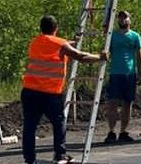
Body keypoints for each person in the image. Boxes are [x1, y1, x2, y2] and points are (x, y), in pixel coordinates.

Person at [21, 15, 107, 164]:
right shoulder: (60, 44)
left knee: (29, 126)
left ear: (41, 28)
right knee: (58, 122)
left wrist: (72, 42)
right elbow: (80, 56)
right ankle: (60, 154)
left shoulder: (35, 42)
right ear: (56, 28)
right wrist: (100, 57)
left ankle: (29, 159)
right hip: (49, 93)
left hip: (29, 91)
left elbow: (54, 45)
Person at [103, 10, 141, 144]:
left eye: (125, 17)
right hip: (115, 73)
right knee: (112, 103)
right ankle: (111, 131)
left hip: (130, 73)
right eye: (120, 18)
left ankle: (123, 132)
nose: (122, 20)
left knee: (127, 103)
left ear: (129, 19)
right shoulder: (112, 36)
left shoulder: (135, 36)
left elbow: (139, 55)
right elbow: (106, 51)